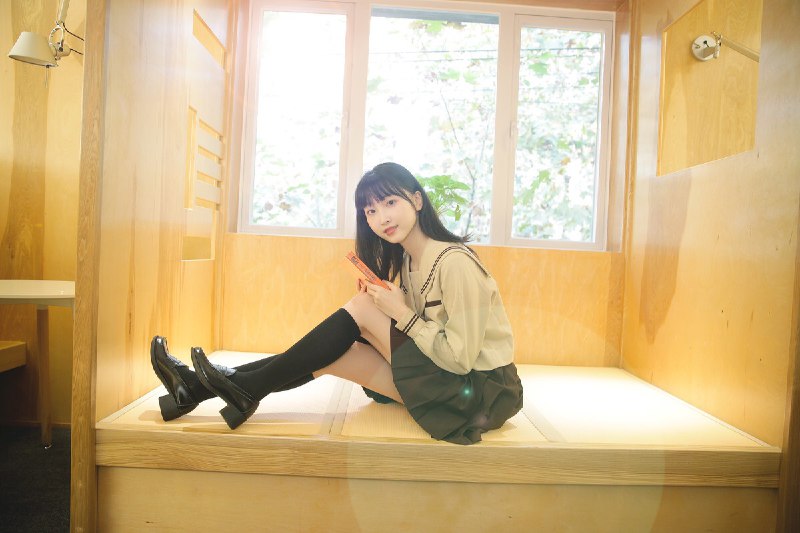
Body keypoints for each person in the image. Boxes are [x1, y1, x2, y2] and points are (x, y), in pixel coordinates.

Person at [151, 162, 523, 445]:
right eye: (370, 211)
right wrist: (391, 302)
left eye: (390, 202)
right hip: (449, 386)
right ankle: (195, 389)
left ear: (416, 200)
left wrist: (399, 312)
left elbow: (459, 359)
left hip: (479, 396)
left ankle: (228, 389)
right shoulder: (410, 263)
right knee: (339, 352)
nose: (381, 217)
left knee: (362, 309)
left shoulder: (455, 262)